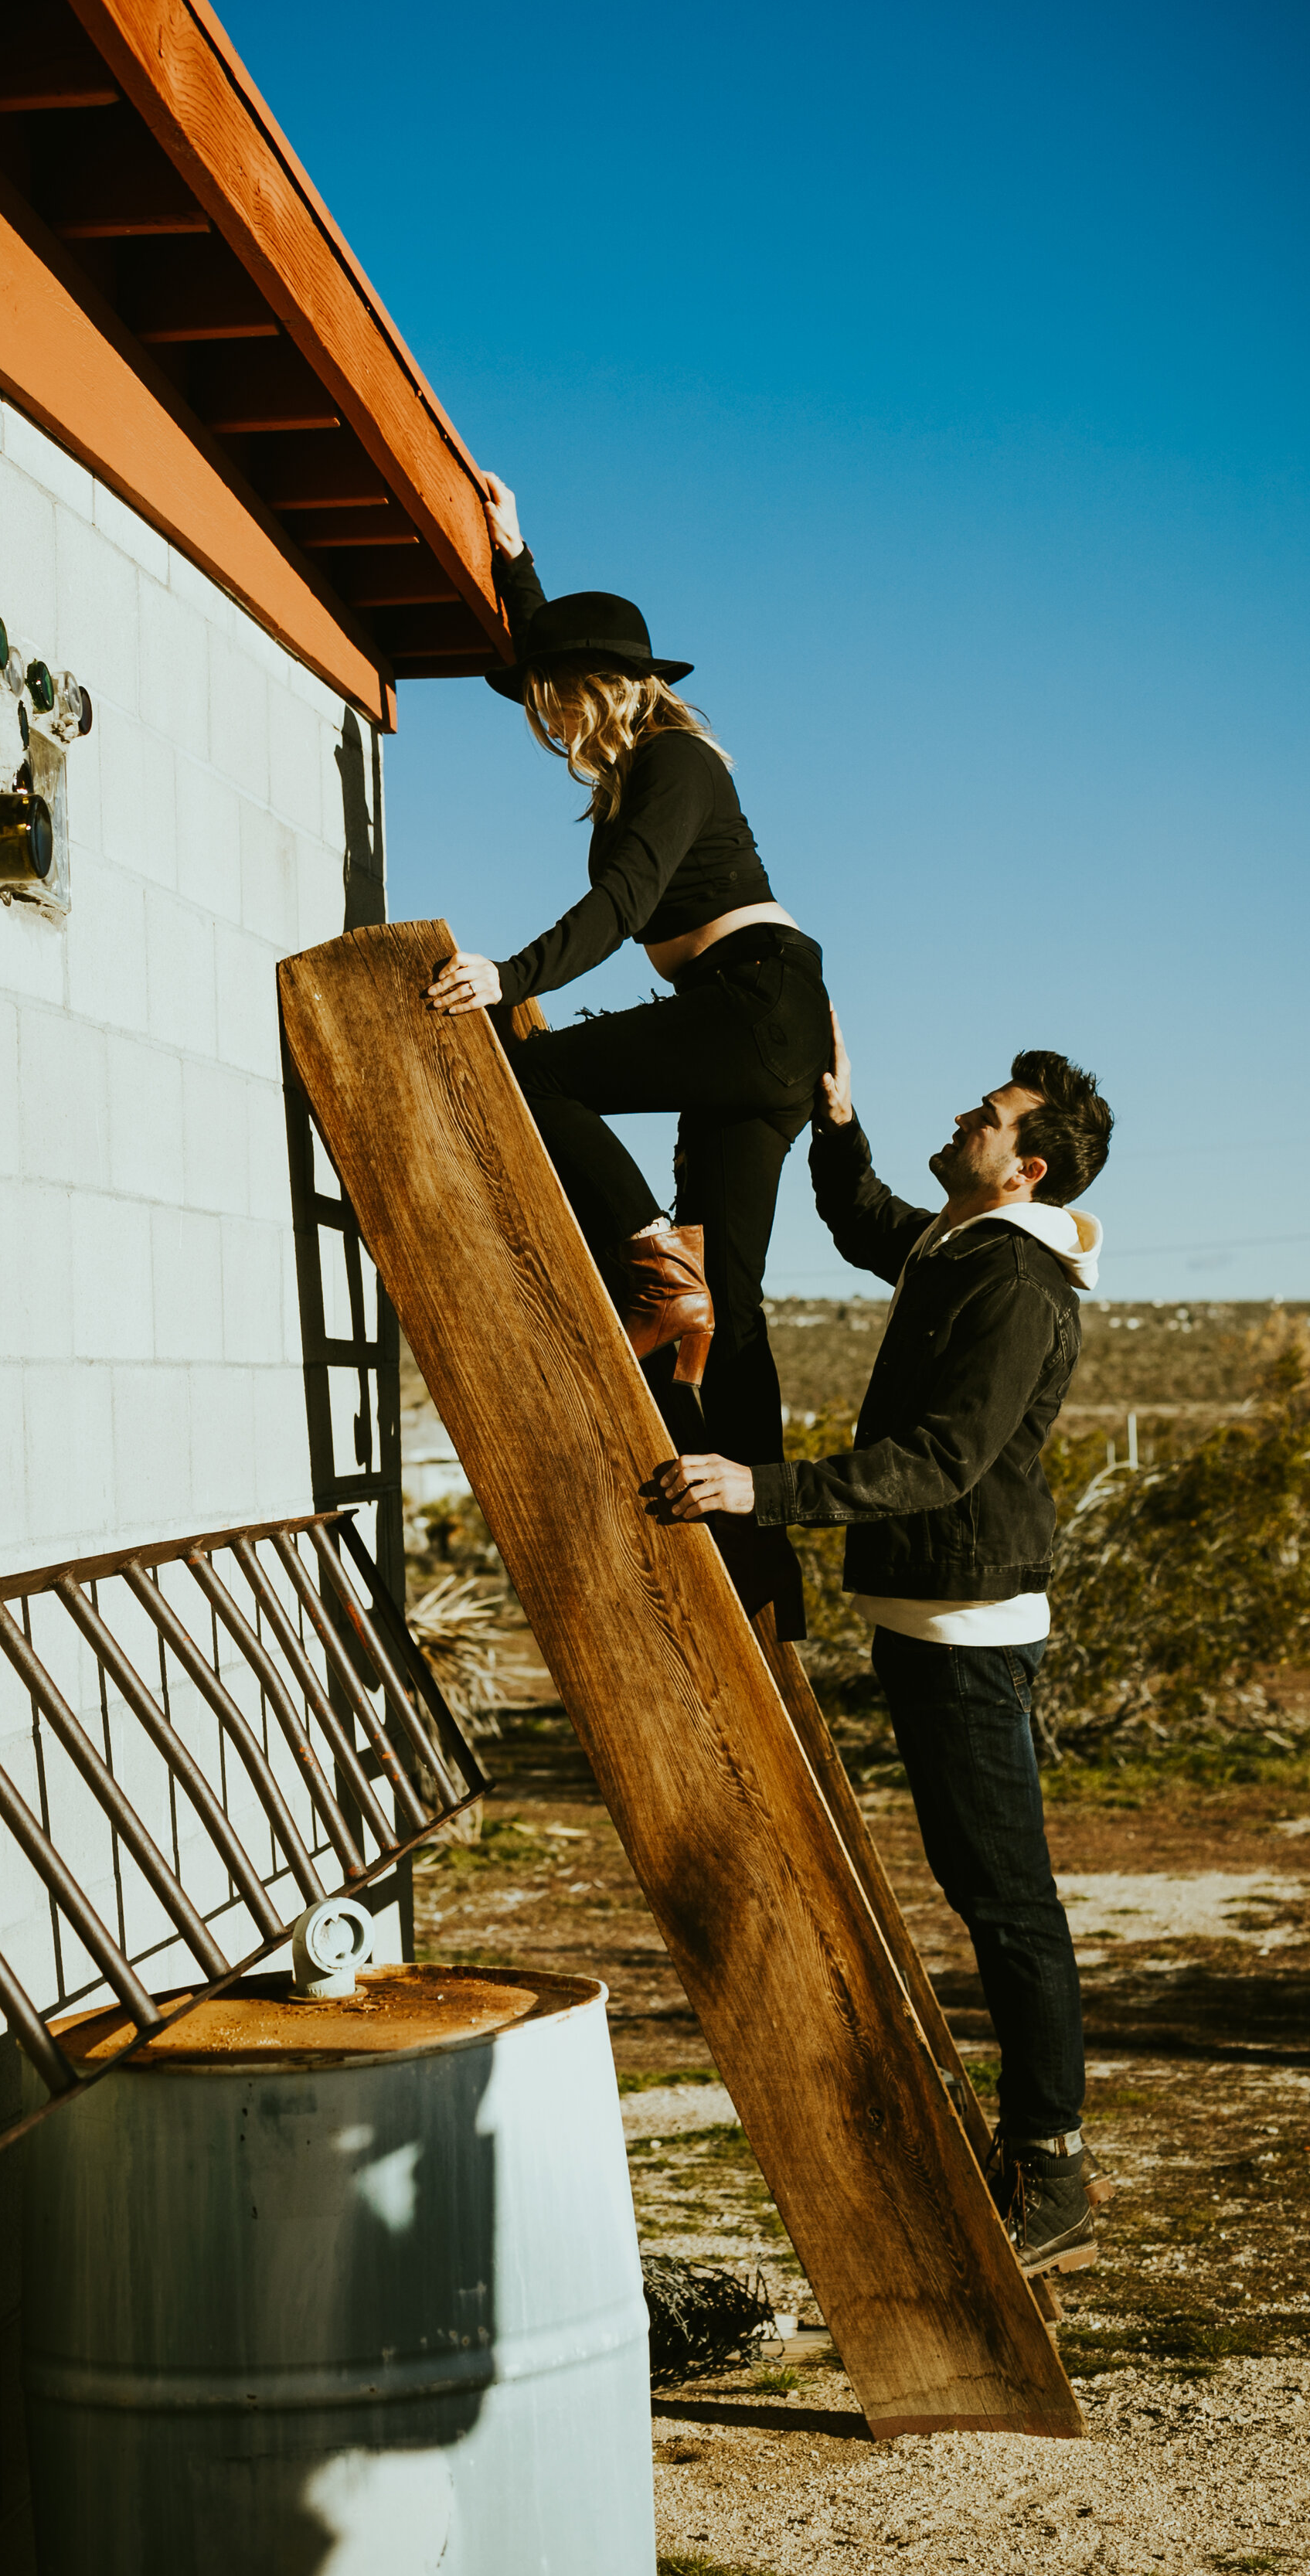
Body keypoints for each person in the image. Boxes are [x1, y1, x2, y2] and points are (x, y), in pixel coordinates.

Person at [652, 1014, 1114, 2277]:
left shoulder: (1016, 1282)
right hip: (927, 1621)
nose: (967, 1118)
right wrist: (837, 1120)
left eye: (989, 1115)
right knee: (987, 1886)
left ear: (1028, 1166)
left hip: (969, 1631)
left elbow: (943, 1463)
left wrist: (764, 1490)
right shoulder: (963, 1243)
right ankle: (1038, 2151)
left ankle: (1057, 2166)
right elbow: (865, 1221)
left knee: (1006, 1898)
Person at [424, 474, 828, 1626]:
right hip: (772, 1017)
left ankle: (652, 1256)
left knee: (531, 1068)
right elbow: (558, 635)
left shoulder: (674, 764)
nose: (543, 723)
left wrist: (513, 975)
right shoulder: (651, 758)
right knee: (733, 1308)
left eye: (549, 702)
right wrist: (515, 559)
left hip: (749, 1007)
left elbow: (623, 899)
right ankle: (765, 1584)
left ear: (589, 692)